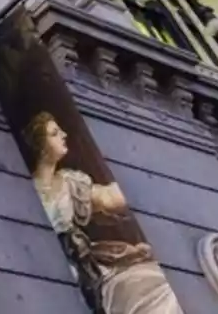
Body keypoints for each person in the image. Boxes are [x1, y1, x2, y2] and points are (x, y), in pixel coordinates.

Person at [25, 112, 181, 313]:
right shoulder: (26, 187)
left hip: (86, 269)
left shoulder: (68, 182)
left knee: (154, 284)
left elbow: (108, 198)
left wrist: (148, 182)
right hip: (49, 267)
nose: (64, 134)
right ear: (42, 147)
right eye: (55, 133)